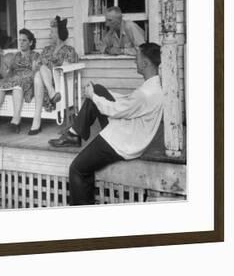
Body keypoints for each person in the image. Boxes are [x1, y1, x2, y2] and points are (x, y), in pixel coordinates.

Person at [49, 42, 163, 206]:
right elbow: (127, 101)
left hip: (123, 141)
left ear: (145, 63)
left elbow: (118, 109)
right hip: (130, 131)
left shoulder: (145, 94)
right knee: (99, 89)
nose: (134, 62)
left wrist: (93, 97)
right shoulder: (153, 87)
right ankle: (75, 134)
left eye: (136, 58)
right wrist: (97, 94)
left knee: (77, 169)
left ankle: (82, 210)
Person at [0, 29, 40, 134]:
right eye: (20, 40)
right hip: (15, 78)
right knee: (0, 84)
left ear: (31, 42)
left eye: (24, 40)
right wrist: (6, 72)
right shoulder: (16, 55)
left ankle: (16, 119)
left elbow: (36, 71)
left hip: (28, 79)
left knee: (18, 85)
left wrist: (32, 70)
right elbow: (10, 72)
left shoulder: (35, 55)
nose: (21, 43)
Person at [29, 16, 79, 135]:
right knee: (39, 71)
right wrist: (36, 64)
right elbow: (37, 66)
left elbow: (69, 65)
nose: (49, 34)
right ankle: (51, 94)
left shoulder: (69, 50)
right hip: (47, 87)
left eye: (51, 32)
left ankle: (36, 121)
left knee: (40, 72)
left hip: (60, 84)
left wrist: (52, 63)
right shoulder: (46, 49)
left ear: (58, 34)